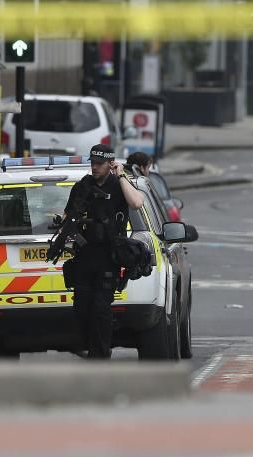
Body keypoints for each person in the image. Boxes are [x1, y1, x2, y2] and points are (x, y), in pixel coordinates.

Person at [64, 143, 143, 359]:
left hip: (108, 256)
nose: (95, 167)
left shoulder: (119, 185)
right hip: (83, 255)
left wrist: (122, 176)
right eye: (93, 162)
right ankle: (90, 346)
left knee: (101, 309)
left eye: (100, 163)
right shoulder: (82, 186)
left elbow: (136, 203)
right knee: (81, 308)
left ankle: (99, 355)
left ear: (110, 164)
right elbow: (68, 215)